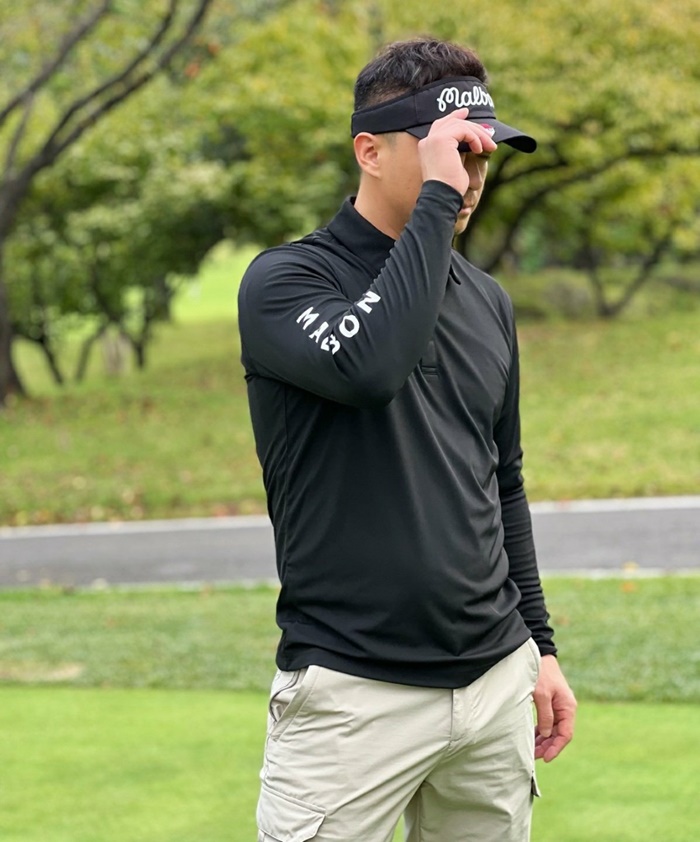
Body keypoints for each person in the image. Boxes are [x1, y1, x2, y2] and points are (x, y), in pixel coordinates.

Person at [238, 37, 577, 842]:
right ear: (370, 151)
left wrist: (540, 647)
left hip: (495, 682)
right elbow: (368, 366)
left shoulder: (487, 301)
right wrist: (433, 204)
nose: (472, 174)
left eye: (482, 153)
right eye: (449, 150)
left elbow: (503, 481)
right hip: (353, 695)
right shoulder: (286, 281)